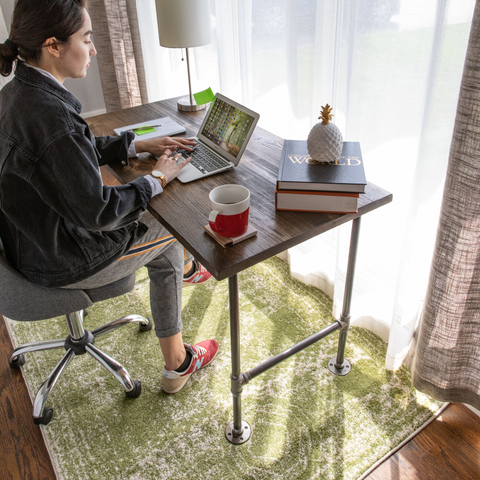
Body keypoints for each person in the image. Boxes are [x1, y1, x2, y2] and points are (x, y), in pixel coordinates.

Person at [0, 0, 218, 395]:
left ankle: (184, 278)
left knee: (158, 227)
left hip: (27, 244)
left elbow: (66, 155)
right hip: (61, 260)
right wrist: (158, 176)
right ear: (53, 45)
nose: (94, 49)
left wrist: (135, 145)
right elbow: (99, 212)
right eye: (86, 39)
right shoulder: (53, 117)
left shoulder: (18, 95)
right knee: (172, 226)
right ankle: (178, 362)